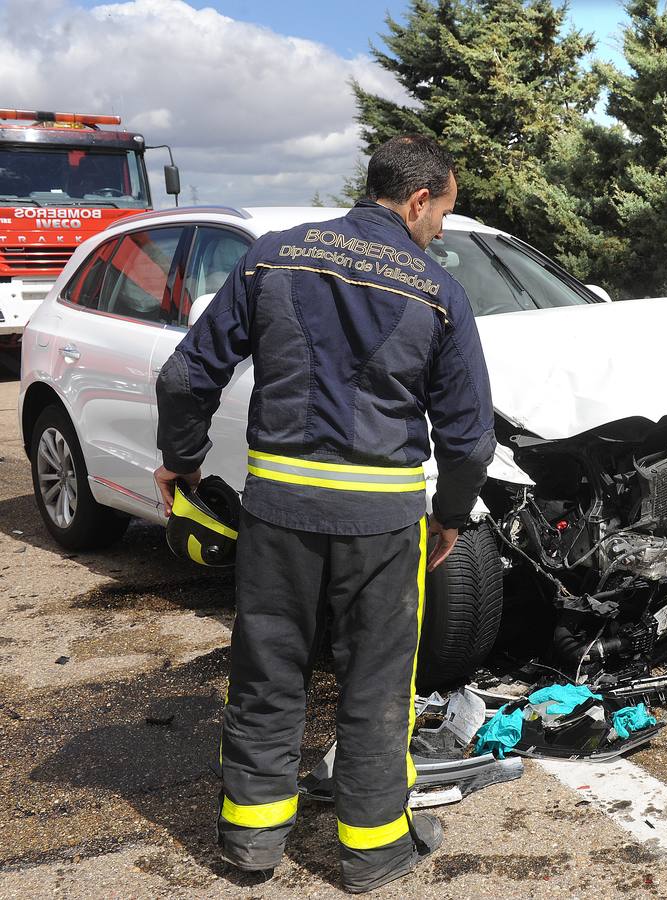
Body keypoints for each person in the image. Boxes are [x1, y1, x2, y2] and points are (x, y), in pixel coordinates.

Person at [153, 136, 494, 893]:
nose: (440, 228)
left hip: (278, 513)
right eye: (443, 212)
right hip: (383, 527)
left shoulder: (272, 257)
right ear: (418, 200)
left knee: (267, 670)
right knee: (377, 683)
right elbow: (470, 441)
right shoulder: (439, 291)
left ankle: (251, 845)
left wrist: (182, 460)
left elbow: (185, 377)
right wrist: (449, 515)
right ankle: (374, 852)